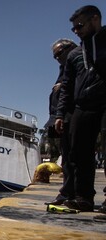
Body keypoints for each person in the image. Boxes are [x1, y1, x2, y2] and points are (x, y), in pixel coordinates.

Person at [55, 5, 106, 212]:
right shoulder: (76, 54)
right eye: (73, 29)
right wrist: (60, 113)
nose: (77, 31)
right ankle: (84, 197)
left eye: (79, 26)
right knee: (79, 153)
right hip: (83, 106)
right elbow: (66, 85)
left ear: (95, 19)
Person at [45, 39, 78, 206]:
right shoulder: (64, 68)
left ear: (70, 47)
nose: (57, 57)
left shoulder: (77, 63)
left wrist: (64, 85)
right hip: (62, 116)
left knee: (73, 157)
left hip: (70, 115)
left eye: (59, 53)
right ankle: (67, 192)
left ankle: (71, 194)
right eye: (54, 55)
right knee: (67, 157)